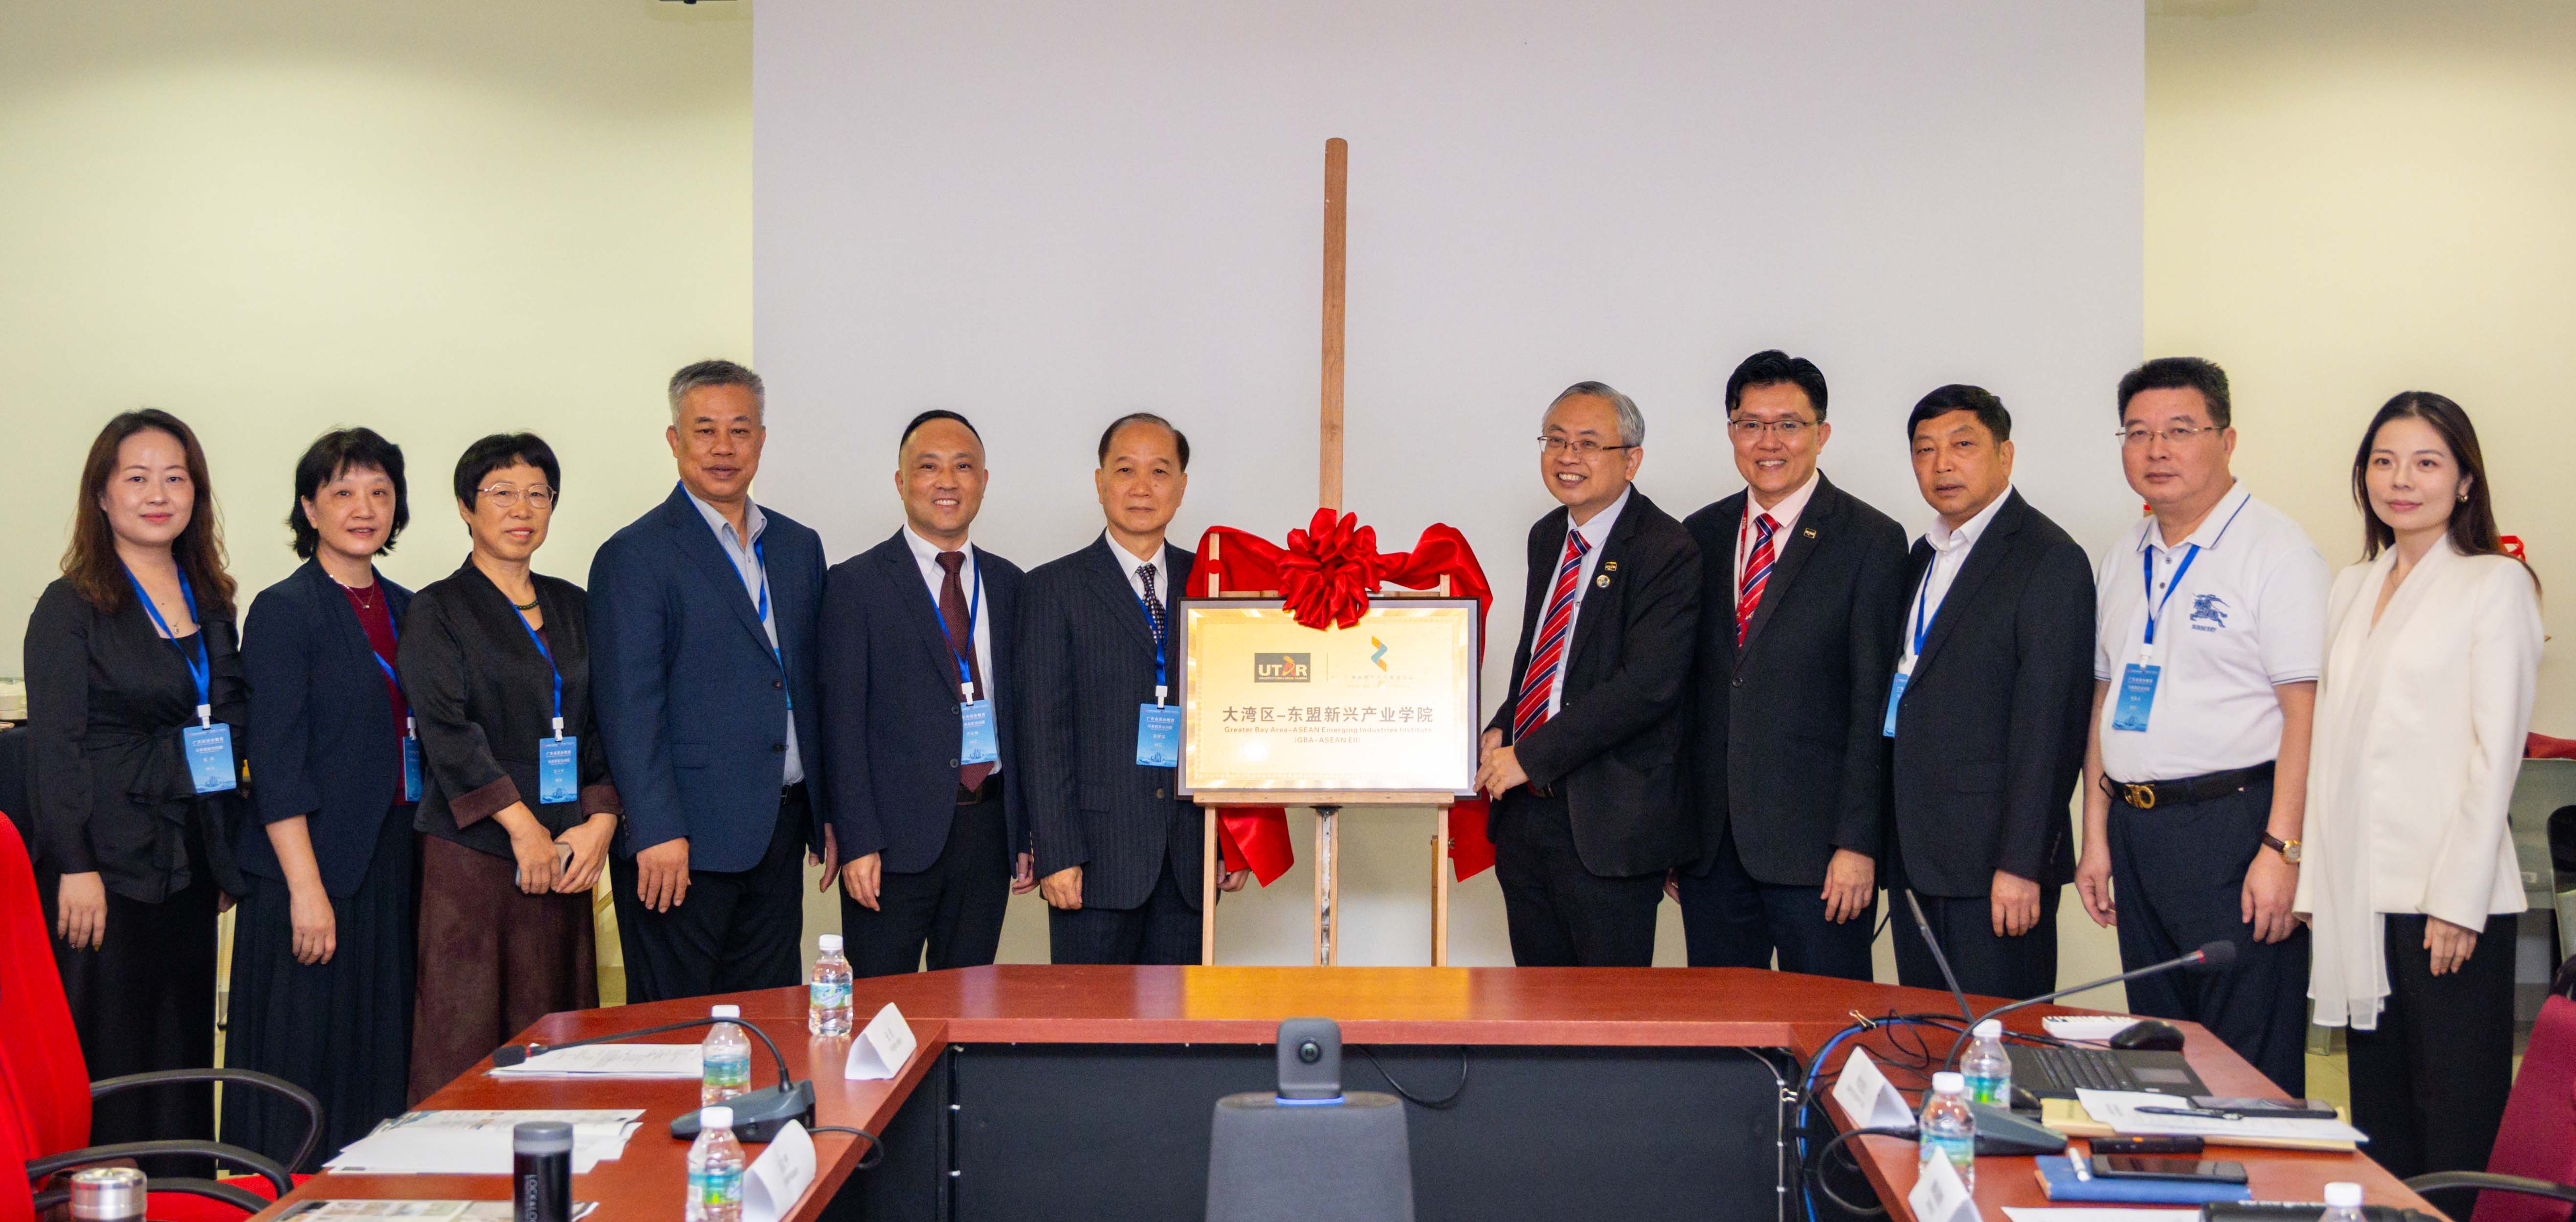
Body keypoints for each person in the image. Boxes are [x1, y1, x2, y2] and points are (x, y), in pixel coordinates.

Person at [2295, 392, 2541, 1180]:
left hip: (2447, 899)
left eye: (2427, 462)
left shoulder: (2494, 583)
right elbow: (2332, 745)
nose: (2401, 480)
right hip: (2361, 893)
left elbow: (2495, 754)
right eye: (2384, 461)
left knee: (2455, 1116)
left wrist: (2459, 898)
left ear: (2465, 480)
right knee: (2381, 1114)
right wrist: (2316, 881)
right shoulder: (2352, 585)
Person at [2076, 357, 2327, 1096]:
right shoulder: (2124, 555)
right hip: (2137, 828)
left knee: (2245, 1058)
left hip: (2236, 829)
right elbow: (2103, 702)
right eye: (2138, 433)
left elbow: (2306, 713)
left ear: (2227, 439)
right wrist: (2096, 833)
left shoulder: (2277, 551)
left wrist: (2284, 849)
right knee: (2159, 1050)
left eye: (2180, 430)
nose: (2157, 450)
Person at [23, 409, 247, 1171]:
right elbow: (55, 749)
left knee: (181, 1047)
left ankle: (183, 1194)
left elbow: (231, 717)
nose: (159, 494)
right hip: (106, 867)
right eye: (138, 477)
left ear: (196, 493)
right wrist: (75, 863)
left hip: (188, 862)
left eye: (175, 477)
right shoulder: (71, 605)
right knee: (110, 1053)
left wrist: (221, 852)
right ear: (103, 493)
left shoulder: (211, 598)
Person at [590, 360, 830, 1003]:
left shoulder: (798, 546)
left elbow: (811, 687)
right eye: (705, 431)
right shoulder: (634, 554)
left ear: (761, 439)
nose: (724, 447)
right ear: (675, 440)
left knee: (768, 1018)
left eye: (740, 430)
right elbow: (629, 708)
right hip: (682, 844)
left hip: (779, 830)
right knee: (678, 1026)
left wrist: (825, 811)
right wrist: (656, 828)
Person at [401, 433, 620, 1098]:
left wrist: (601, 820)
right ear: (466, 506)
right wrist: (521, 827)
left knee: (558, 1032)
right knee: (466, 1030)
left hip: (566, 851)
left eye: (537, 494)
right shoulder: (437, 608)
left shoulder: (574, 605)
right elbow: (447, 730)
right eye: (501, 493)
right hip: (476, 855)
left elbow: (601, 721)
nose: (521, 509)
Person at [1677, 351, 1908, 980]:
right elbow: (1685, 694)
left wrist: (1858, 843)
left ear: (1821, 434)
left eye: (1789, 425)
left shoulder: (1870, 539)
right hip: (1712, 851)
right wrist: (1676, 835)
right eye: (1751, 425)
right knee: (1722, 1029)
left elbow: (1873, 704)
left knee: (1829, 1026)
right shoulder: (1700, 534)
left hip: (1821, 855)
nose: (1769, 442)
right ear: (1731, 433)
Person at [227, 428, 421, 1168]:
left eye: (379, 492)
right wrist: (307, 890)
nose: (363, 508)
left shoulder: (409, 608)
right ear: (310, 508)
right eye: (342, 492)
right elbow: (276, 763)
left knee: (376, 1057)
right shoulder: (285, 610)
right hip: (308, 868)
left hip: (390, 858)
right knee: (305, 1057)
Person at [1475, 382, 1701, 967]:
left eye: (1588, 443)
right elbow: (1540, 657)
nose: (1567, 457)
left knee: (1608, 1011)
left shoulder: (1666, 547)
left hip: (1608, 824)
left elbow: (1646, 686)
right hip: (1526, 817)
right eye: (1555, 441)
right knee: (1535, 1003)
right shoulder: (1548, 534)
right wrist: (1503, 725)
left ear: (1631, 459)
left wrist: (1530, 756)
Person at [1880, 386, 2094, 1000]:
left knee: (1998, 1038)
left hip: (1995, 865)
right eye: (1925, 450)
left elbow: (2051, 728)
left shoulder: (2048, 558)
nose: (1942, 464)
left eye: (1962, 445)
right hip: (1917, 854)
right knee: (1928, 1032)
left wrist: (2023, 864)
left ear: (2006, 455)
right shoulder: (1922, 556)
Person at [1022, 413, 1245, 964]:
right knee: (1089, 1017)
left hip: (1191, 859)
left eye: (1159, 472)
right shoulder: (1053, 587)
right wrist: (1056, 852)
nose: (1142, 487)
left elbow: (1233, 718)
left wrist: (1234, 839)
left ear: (1182, 487)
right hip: (1092, 863)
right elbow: (1042, 733)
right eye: (1125, 470)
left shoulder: (1213, 585)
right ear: (1100, 482)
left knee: (1181, 1017)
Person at [821, 410, 1035, 976]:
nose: (947, 482)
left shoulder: (1011, 584)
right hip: (890, 843)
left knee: (969, 1000)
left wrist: (1024, 830)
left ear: (983, 481)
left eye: (963, 467)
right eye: (929, 467)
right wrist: (858, 839)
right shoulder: (855, 584)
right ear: (901, 481)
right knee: (881, 1006)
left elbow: (1023, 717)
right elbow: (840, 726)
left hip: (987, 832)